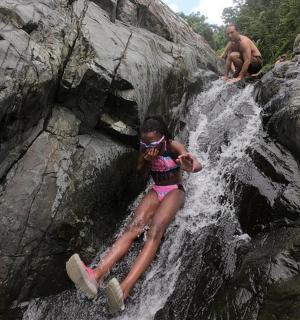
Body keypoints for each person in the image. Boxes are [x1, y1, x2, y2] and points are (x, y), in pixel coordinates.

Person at [66, 116, 202, 312]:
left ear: (163, 138)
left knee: (154, 231)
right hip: (157, 189)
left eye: (154, 143)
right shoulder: (146, 149)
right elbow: (139, 171)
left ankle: (124, 289)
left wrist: (191, 165)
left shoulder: (173, 147)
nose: (150, 147)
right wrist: (145, 158)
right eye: (145, 144)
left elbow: (195, 163)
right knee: (133, 226)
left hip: (175, 190)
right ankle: (95, 276)